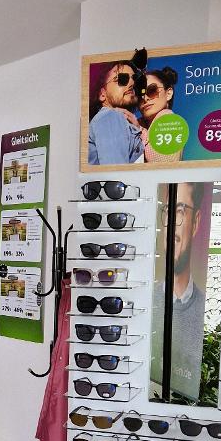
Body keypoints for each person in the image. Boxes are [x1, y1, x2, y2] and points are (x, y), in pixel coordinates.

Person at [151, 181, 209, 403]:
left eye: (180, 211)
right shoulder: (145, 303)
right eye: (168, 211)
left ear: (195, 223)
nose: (172, 224)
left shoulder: (205, 310)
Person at [87, 62, 144, 165]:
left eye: (134, 78)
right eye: (121, 79)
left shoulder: (111, 120)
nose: (132, 83)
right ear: (102, 94)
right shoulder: (110, 116)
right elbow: (115, 172)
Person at [138, 67, 182, 163]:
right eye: (139, 94)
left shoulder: (168, 118)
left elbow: (162, 163)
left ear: (168, 93)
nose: (145, 98)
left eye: (152, 90)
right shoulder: (141, 124)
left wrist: (140, 129)